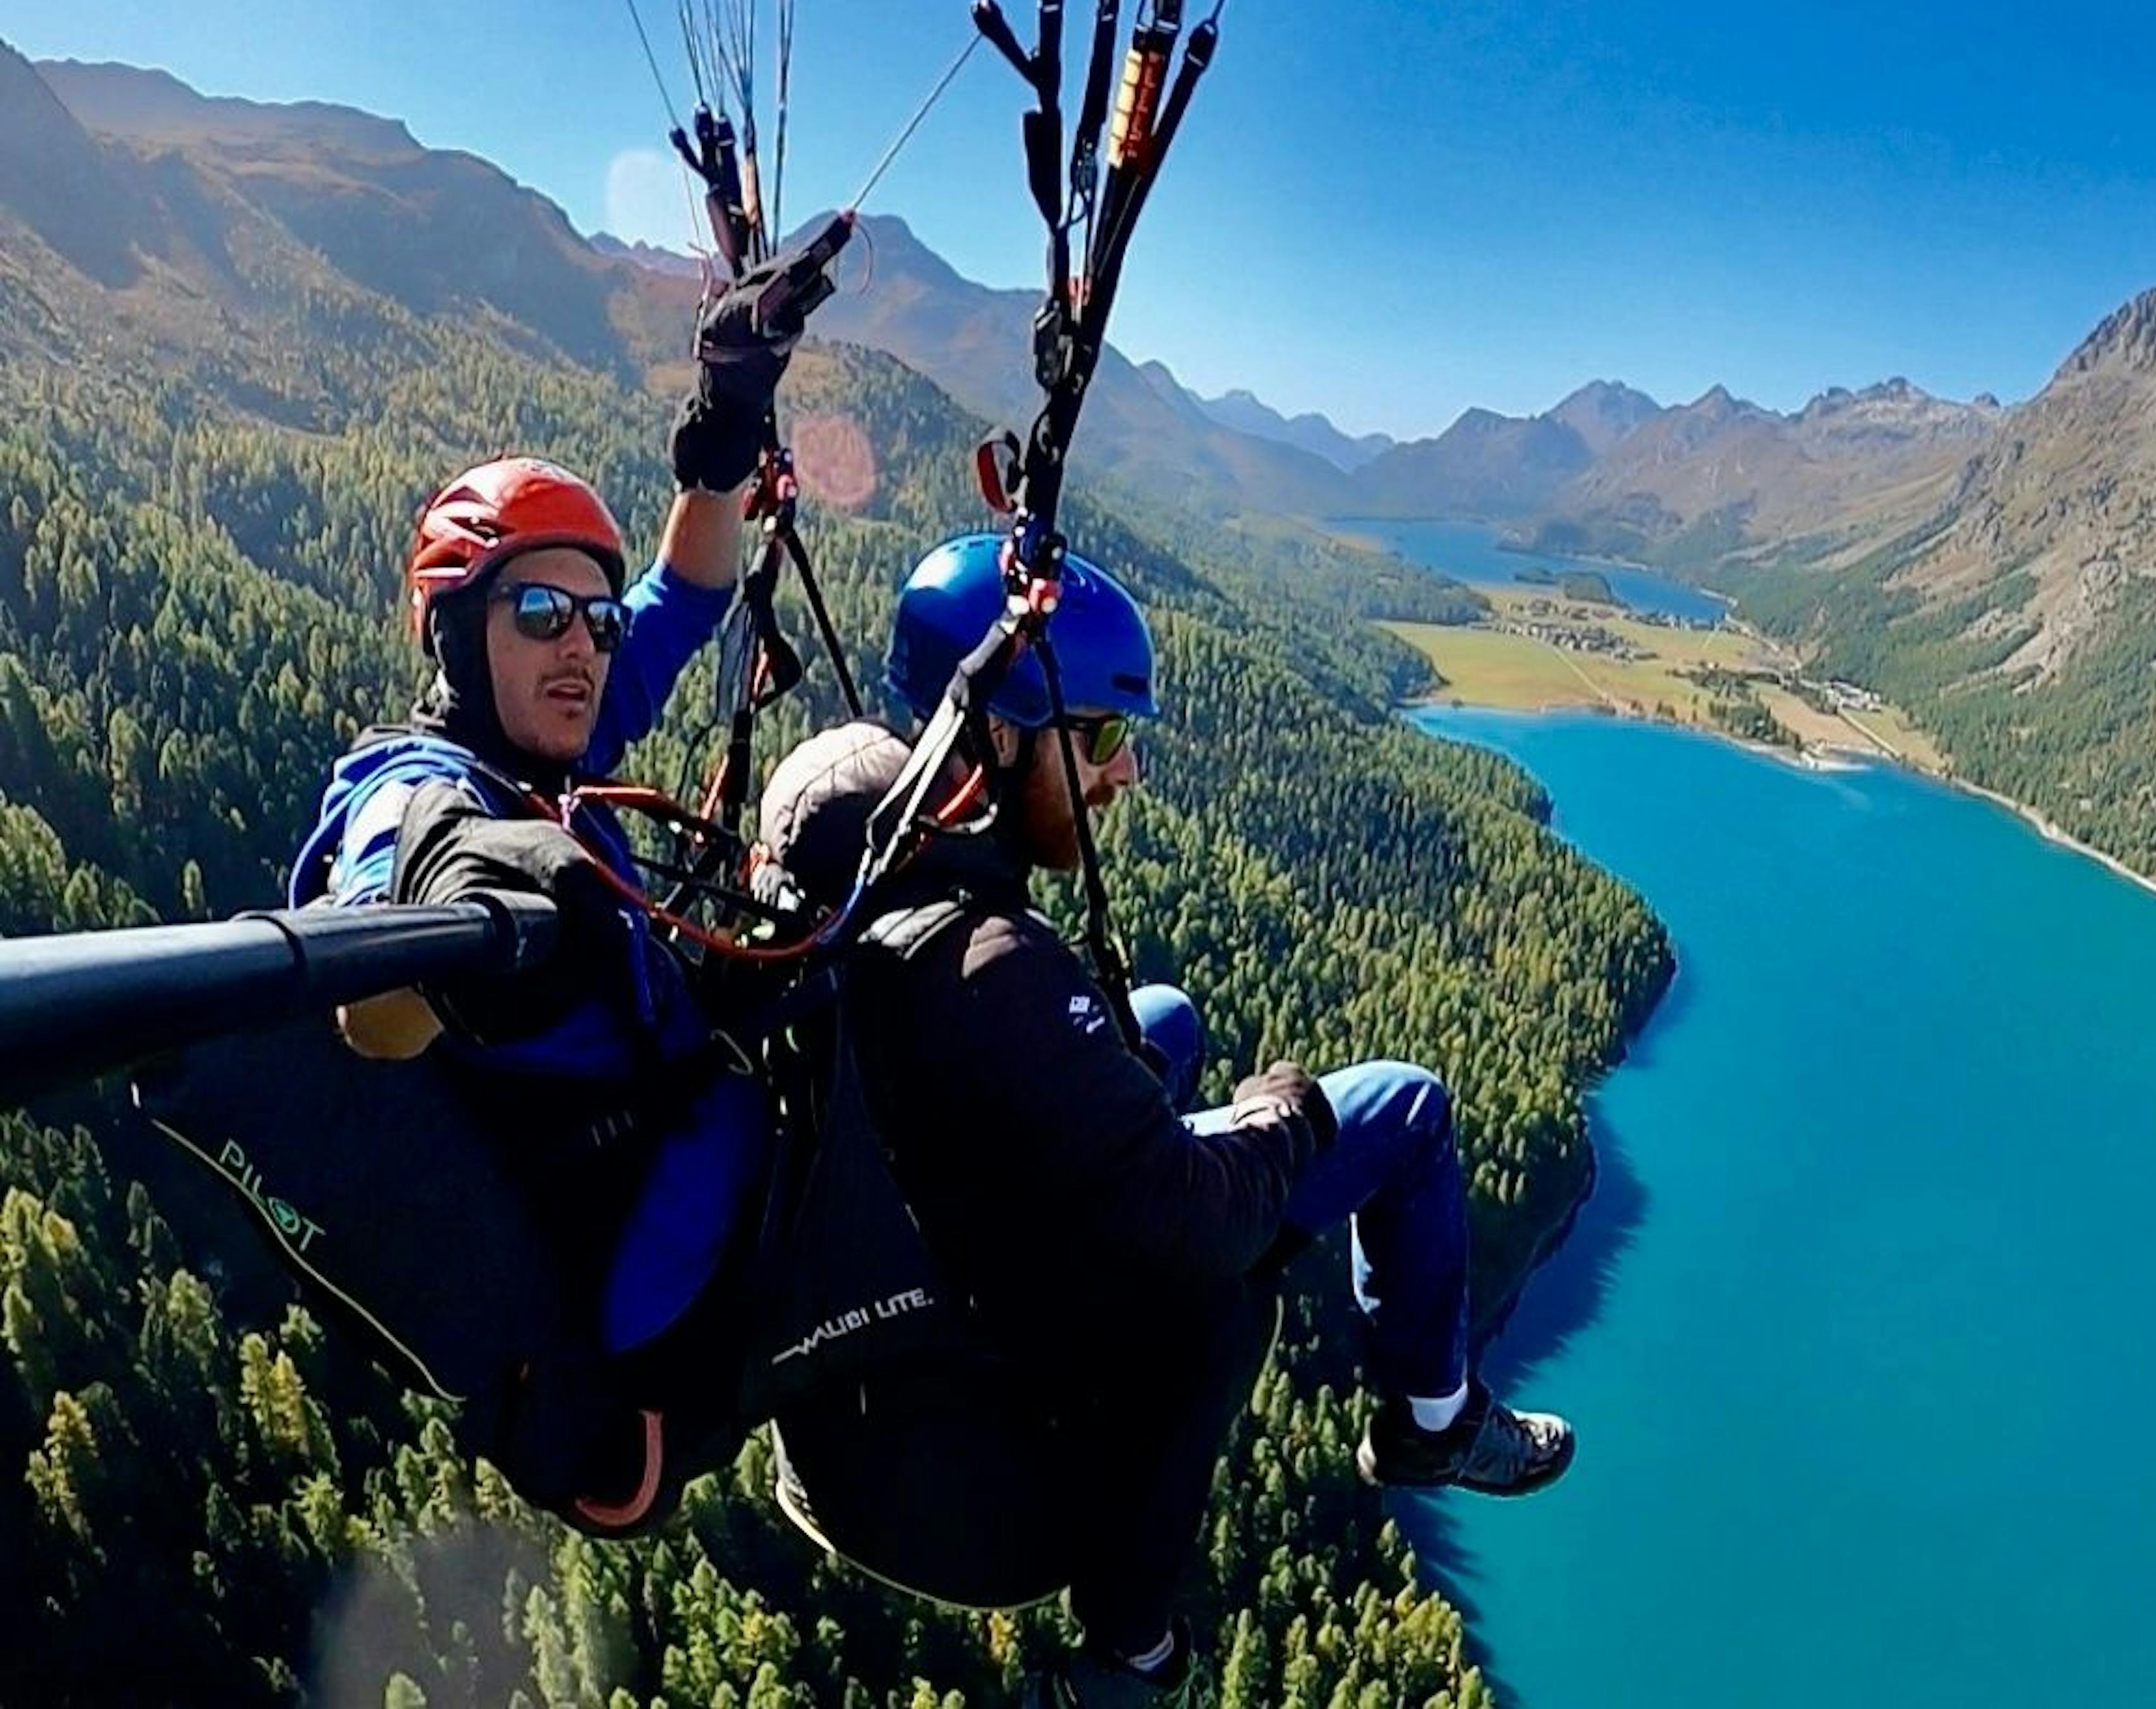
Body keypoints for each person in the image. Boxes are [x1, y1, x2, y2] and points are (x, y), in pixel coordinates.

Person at [754, 534, 1576, 1706]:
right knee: (1403, 1108)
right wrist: (1280, 1116)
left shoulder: (851, 854)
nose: (1120, 773)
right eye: (1096, 736)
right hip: (992, 1461)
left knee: (1168, 1017)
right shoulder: (996, 974)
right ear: (992, 737)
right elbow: (1195, 1222)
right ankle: (1429, 1421)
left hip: (878, 1380)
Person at [281, 250, 812, 1519]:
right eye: (537, 611)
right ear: (458, 635)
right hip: (640, 1269)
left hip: (681, 1159)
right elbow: (368, 999)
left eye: (590, 619)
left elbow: (682, 597)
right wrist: (464, 892)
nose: (579, 642)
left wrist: (726, 430)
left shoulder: (552, 739)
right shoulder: (415, 787)